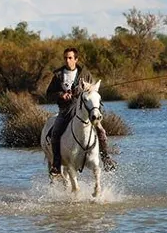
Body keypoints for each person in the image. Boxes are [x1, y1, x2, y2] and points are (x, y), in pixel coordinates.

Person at [46, 47, 116, 175]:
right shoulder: (58, 75)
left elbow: (92, 92)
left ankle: (106, 158)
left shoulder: (85, 74)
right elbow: (49, 94)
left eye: (70, 58)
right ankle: (56, 164)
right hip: (65, 110)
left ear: (76, 59)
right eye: (65, 58)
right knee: (55, 133)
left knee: (101, 131)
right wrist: (61, 95)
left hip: (84, 110)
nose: (67, 60)